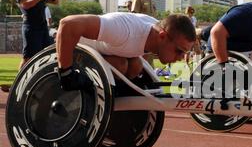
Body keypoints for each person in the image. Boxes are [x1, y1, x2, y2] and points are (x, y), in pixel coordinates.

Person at [56, 12, 196, 91]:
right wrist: (66, 73)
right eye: (179, 51)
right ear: (163, 36)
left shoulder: (155, 32)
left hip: (104, 52)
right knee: (120, 65)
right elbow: (67, 24)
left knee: (136, 66)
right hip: (72, 48)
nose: (181, 58)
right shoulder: (124, 30)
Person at [13, 0, 59, 69]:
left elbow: (55, 1)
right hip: (31, 27)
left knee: (47, 54)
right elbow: (25, 4)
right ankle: (18, 84)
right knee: (28, 58)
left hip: (42, 27)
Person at [132, 0, 158, 67]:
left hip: (152, 31)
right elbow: (134, 16)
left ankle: (150, 70)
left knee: (150, 52)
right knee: (141, 53)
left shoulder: (152, 1)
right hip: (142, 31)